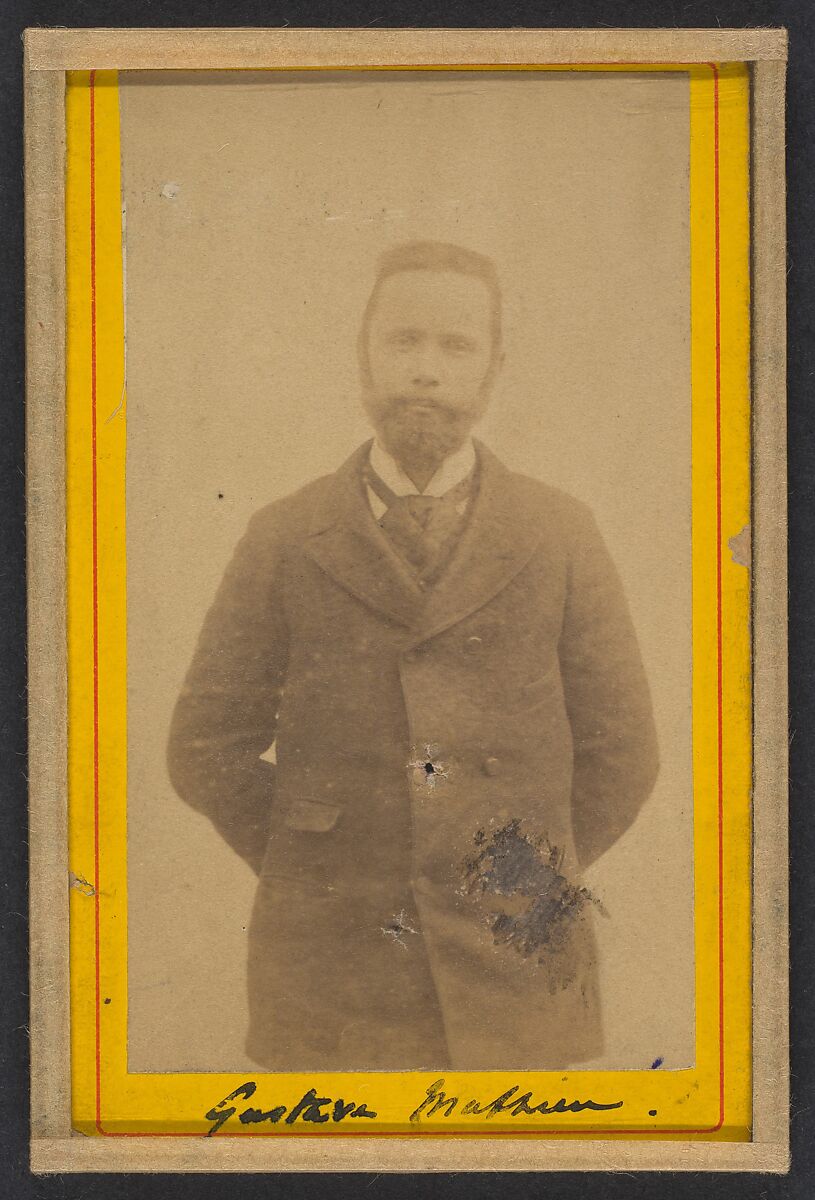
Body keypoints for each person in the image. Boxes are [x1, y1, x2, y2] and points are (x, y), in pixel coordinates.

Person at [167, 240, 659, 1071]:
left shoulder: (560, 533)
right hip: (329, 967)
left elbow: (623, 753)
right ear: (363, 353)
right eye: (402, 341)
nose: (425, 371)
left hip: (513, 960)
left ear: (492, 369)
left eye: (455, 346)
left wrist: (521, 877)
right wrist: (317, 863)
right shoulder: (285, 535)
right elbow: (203, 748)